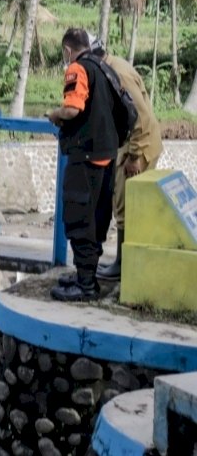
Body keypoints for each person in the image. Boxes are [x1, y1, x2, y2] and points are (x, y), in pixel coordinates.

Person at [48, 28, 120, 301]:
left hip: (86, 154)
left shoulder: (77, 69)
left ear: (68, 50)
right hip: (107, 154)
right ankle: (85, 274)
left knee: (79, 217)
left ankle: (87, 285)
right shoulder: (104, 67)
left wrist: (54, 114)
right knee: (97, 217)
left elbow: (72, 109)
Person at [95, 47, 163, 281]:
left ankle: (123, 265)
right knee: (132, 205)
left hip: (140, 145)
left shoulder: (117, 73)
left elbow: (140, 115)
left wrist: (134, 156)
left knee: (125, 205)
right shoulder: (114, 65)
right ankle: (131, 264)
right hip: (137, 142)